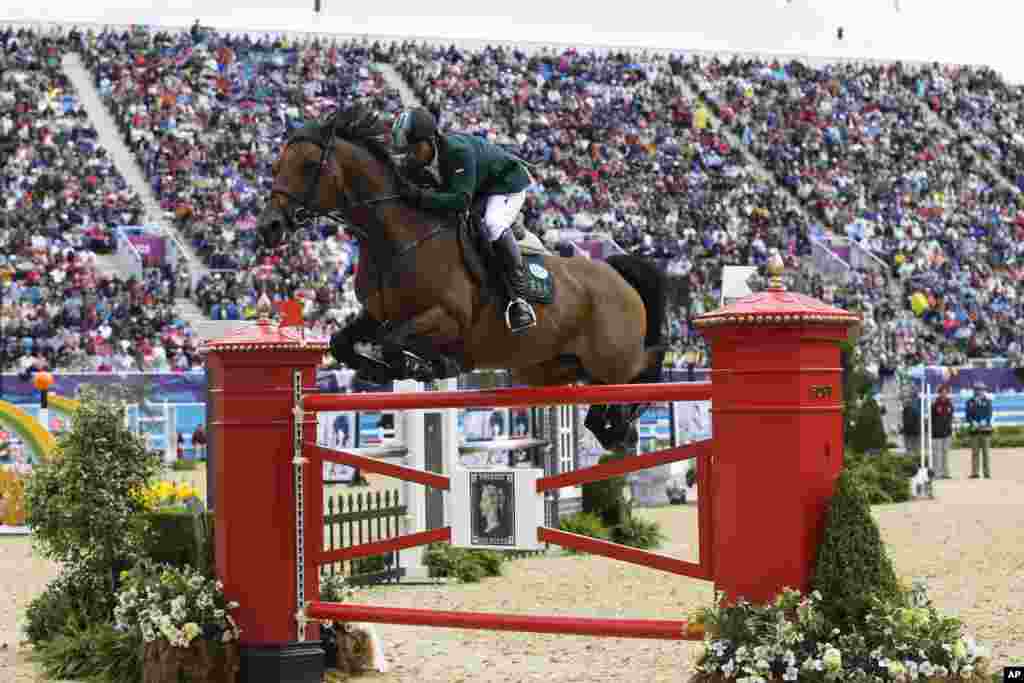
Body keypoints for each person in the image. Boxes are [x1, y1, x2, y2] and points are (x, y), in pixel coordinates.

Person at [390, 107, 538, 332]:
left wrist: (419, 196)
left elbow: (459, 202)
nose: (411, 154)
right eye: (407, 150)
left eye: (414, 148)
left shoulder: (457, 152)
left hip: (506, 184)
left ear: (430, 141)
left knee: (492, 224)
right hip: (478, 189)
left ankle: (519, 299)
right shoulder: (416, 162)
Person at [965, 382, 993, 479]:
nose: (979, 391)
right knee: (975, 452)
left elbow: (989, 414)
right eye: (977, 389)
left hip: (985, 430)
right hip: (974, 430)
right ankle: (975, 472)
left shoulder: (988, 401)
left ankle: (987, 472)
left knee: (986, 452)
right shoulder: (969, 402)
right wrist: (973, 422)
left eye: (981, 389)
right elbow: (967, 416)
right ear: (974, 390)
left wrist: (984, 421)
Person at [930, 385, 954, 479]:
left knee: (946, 453)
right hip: (936, 432)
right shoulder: (934, 404)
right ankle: (937, 473)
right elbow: (931, 418)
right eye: (942, 392)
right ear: (939, 393)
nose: (944, 394)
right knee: (937, 454)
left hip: (947, 432)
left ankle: (945, 473)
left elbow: (951, 417)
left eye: (945, 392)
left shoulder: (950, 404)